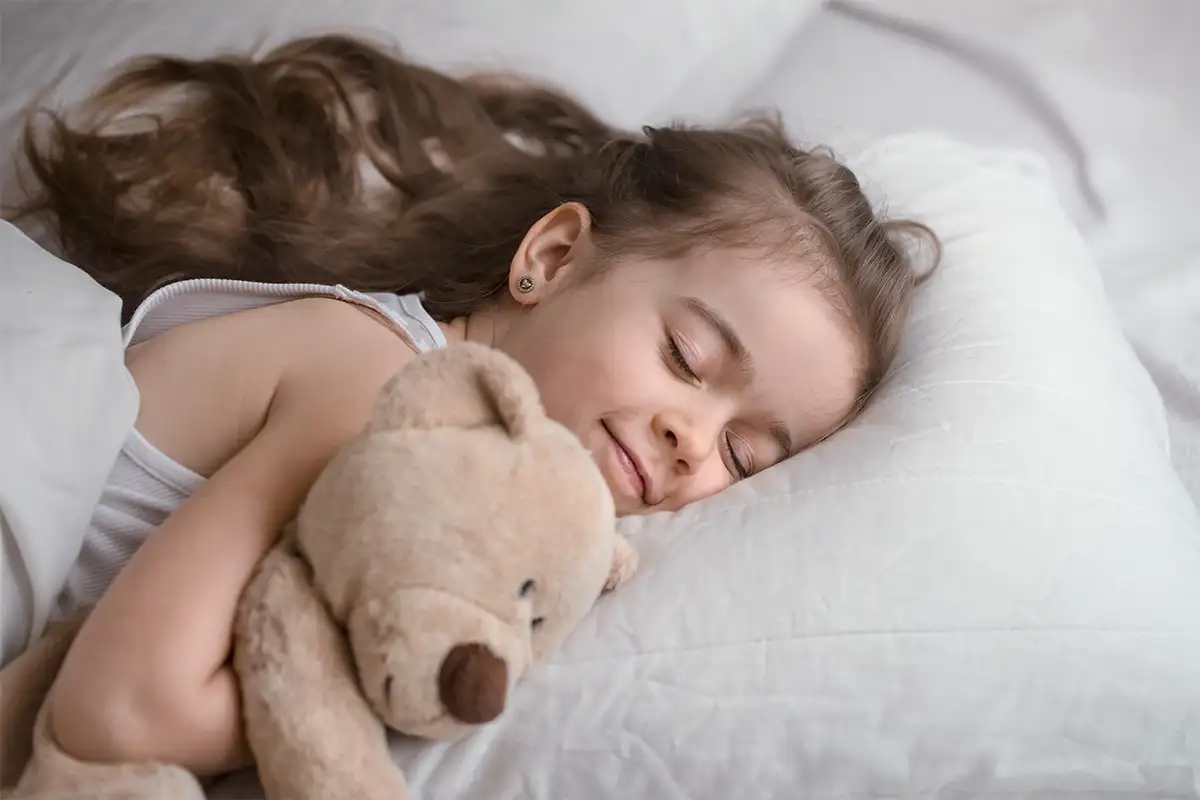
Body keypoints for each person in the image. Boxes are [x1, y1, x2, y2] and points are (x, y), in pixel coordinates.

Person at [6, 34, 936, 778]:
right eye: (686, 357)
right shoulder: (371, 388)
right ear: (555, 257)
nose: (690, 440)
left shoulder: (470, 498)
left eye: (744, 457)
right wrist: (343, 705)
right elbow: (119, 712)